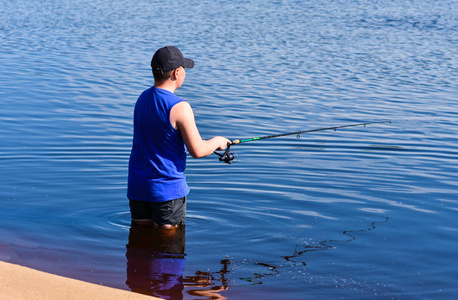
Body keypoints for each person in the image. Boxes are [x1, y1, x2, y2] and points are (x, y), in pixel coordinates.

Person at [127, 46, 229, 229]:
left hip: (138, 187)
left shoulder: (142, 98)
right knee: (169, 249)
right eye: (184, 69)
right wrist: (218, 141)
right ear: (176, 73)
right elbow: (197, 150)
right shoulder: (180, 107)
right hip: (167, 191)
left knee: (139, 242)